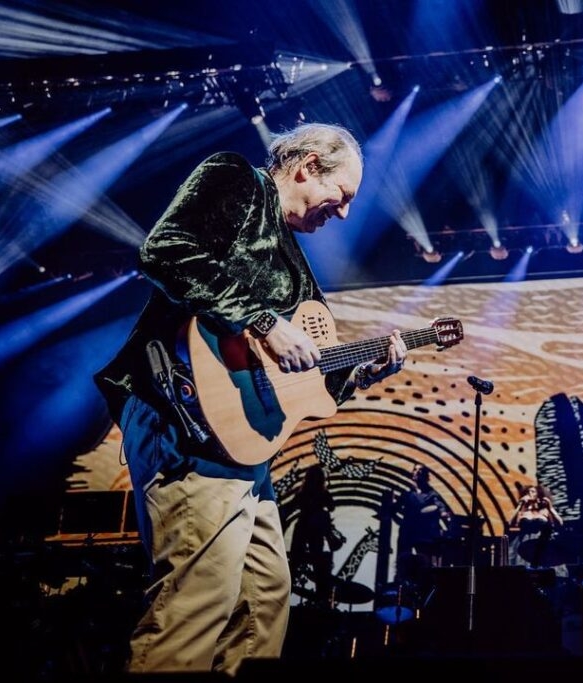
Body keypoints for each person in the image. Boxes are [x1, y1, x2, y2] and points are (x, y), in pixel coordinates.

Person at [93, 122, 408, 676]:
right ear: (307, 167)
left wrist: (360, 375)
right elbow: (165, 250)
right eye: (342, 197)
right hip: (185, 420)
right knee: (197, 603)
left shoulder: (293, 256)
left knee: (262, 603)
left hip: (239, 445)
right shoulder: (235, 178)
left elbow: (302, 380)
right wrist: (261, 320)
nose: (343, 214)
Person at [288, 464, 345, 608]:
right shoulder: (322, 493)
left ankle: (285, 595)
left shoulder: (303, 493)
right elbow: (332, 506)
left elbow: (291, 507)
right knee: (317, 563)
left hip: (303, 529)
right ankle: (320, 600)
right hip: (314, 531)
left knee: (295, 565)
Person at [395, 464, 451, 588]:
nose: (417, 472)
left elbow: (440, 507)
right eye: (415, 470)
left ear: (425, 476)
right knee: (403, 563)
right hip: (407, 533)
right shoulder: (407, 495)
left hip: (423, 535)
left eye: (420, 471)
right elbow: (394, 509)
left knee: (424, 563)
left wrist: (444, 513)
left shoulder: (431, 494)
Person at [508, 483, 564, 570]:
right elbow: (510, 523)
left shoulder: (545, 509)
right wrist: (520, 505)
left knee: (542, 571)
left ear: (539, 494)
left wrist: (550, 508)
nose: (529, 493)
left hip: (541, 543)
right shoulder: (523, 510)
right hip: (523, 543)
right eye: (528, 492)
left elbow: (560, 523)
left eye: (533, 491)